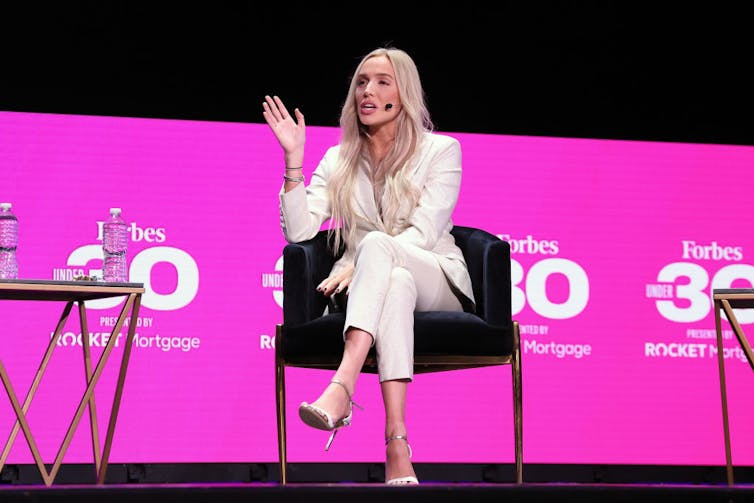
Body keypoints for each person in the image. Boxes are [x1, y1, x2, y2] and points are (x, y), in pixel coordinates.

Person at [262, 47, 475, 486]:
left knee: (388, 256)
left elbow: (425, 231)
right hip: (386, 283)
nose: (368, 92)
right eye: (361, 82)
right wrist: (293, 161)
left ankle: (342, 385)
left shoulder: (441, 150)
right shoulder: (339, 158)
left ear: (405, 93)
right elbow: (299, 232)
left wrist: (361, 264)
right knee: (393, 282)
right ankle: (397, 443)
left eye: (382, 81)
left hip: (434, 273)